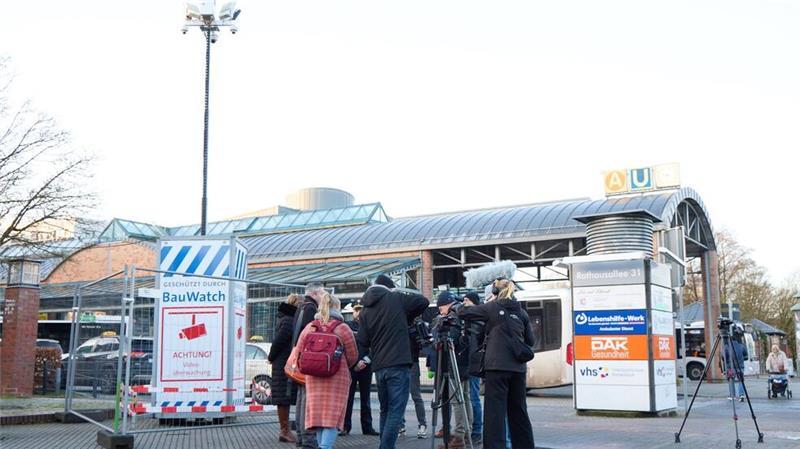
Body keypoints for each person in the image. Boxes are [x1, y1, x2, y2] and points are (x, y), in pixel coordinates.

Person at [459, 278, 535, 449]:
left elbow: (463, 313)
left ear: (494, 293)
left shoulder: (492, 307)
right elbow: (530, 340)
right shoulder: (522, 313)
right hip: (518, 368)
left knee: (495, 413)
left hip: (497, 367)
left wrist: (461, 305)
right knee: (519, 412)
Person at [357, 274, 429, 449]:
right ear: (390, 288)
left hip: (379, 366)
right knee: (396, 411)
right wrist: (400, 297)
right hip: (398, 363)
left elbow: (363, 341)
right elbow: (423, 301)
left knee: (385, 410)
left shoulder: (365, 310)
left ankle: (386, 445)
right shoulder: (396, 298)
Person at [288, 293, 359, 449]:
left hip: (313, 378)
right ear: (336, 308)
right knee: (332, 418)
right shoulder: (343, 328)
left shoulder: (310, 326)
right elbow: (353, 356)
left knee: (319, 417)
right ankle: (324, 447)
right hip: (337, 378)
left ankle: (322, 445)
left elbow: (298, 351)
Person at [430, 291, 473, 449]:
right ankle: (467, 434)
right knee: (465, 398)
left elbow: (450, 341)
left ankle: (459, 436)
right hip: (465, 362)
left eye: (441, 308)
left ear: (445, 305)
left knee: (457, 401)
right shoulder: (464, 311)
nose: (441, 312)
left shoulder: (454, 315)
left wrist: (437, 332)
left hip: (456, 364)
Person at [292, 282, 324, 449]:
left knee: (300, 398)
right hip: (307, 360)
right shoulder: (311, 309)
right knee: (306, 399)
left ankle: (300, 436)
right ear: (315, 293)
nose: (323, 297)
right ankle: (308, 439)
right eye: (322, 293)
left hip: (298, 359)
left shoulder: (301, 307)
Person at [268, 293, 302, 443]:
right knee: (283, 397)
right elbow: (279, 341)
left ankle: (285, 430)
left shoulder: (285, 318)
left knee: (284, 397)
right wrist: (271, 356)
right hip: (283, 363)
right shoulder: (289, 320)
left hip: (282, 362)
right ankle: (285, 431)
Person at [342, 303, 380, 436]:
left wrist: (366, 360)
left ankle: (367, 427)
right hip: (351, 366)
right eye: (356, 310)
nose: (358, 313)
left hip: (366, 365)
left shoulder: (371, 326)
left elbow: (376, 345)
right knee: (348, 398)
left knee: (366, 398)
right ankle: (345, 426)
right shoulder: (348, 326)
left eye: (361, 310)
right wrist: (353, 362)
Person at [401, 312, 429, 439]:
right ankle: (420, 425)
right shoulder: (411, 325)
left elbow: (421, 344)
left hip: (409, 362)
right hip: (408, 362)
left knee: (412, 396)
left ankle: (420, 424)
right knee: (412, 396)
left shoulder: (412, 325)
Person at [462, 292, 485, 444]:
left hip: (474, 363)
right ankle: (469, 429)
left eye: (466, 300)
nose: (463, 303)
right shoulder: (468, 319)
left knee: (474, 397)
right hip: (466, 362)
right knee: (467, 398)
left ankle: (477, 430)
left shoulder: (479, 320)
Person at [722, 327, 748, 402]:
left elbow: (724, 357)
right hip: (740, 366)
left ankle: (732, 395)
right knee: (740, 381)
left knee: (731, 380)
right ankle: (741, 395)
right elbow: (746, 356)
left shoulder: (727, 346)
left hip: (730, 367)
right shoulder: (741, 345)